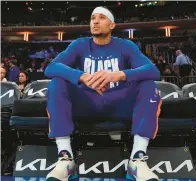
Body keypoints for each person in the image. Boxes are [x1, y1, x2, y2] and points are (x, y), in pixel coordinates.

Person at [45, 7, 161, 181]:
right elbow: (51, 67)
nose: (95, 21)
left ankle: (137, 159)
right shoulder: (79, 44)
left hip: (119, 103)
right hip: (87, 102)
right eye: (92, 18)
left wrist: (120, 75)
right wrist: (82, 76)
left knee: (149, 85)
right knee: (56, 83)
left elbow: (153, 70)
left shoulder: (125, 45)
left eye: (101, 18)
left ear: (112, 24)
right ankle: (65, 158)